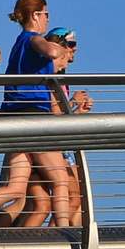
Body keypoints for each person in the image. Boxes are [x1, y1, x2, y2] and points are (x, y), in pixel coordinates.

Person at [0, 0, 76, 230]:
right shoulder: (32, 39)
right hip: (33, 117)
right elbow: (48, 50)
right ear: (35, 15)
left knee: (16, 189)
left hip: (16, 118)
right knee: (60, 179)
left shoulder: (18, 43)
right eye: (47, 14)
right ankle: (65, 231)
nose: (48, 20)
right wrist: (58, 47)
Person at [18, 26, 94, 227]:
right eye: (70, 45)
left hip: (54, 140)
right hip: (45, 139)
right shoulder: (49, 77)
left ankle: (63, 238)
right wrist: (72, 104)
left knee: (57, 201)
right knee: (50, 200)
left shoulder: (60, 78)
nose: (73, 50)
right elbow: (53, 111)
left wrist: (76, 110)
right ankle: (57, 237)